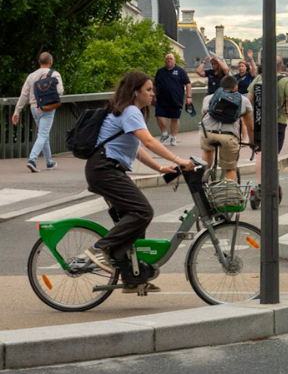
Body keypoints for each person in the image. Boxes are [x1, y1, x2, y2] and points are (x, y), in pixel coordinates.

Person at [82, 71, 195, 290]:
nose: (153, 94)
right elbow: (150, 142)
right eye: (149, 90)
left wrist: (161, 167)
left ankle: (132, 277)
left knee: (134, 223)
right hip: (104, 169)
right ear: (136, 93)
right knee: (143, 212)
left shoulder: (128, 111)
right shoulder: (131, 111)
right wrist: (178, 159)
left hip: (104, 169)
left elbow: (137, 149)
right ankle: (100, 248)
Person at [12, 52, 64, 172]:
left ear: (39, 62)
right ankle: (32, 160)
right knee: (43, 135)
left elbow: (24, 95)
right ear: (50, 62)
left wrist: (16, 111)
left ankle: (49, 162)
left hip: (34, 108)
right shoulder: (54, 74)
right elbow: (60, 91)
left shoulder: (31, 76)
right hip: (48, 107)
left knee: (43, 134)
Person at [250, 57, 288, 189]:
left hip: (259, 121)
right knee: (274, 153)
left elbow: (249, 98)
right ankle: (272, 183)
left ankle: (260, 184)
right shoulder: (284, 80)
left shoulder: (259, 78)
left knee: (260, 152)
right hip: (278, 121)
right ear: (281, 67)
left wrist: (255, 112)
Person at [200, 74, 252, 182]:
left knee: (208, 149)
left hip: (208, 134)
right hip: (228, 137)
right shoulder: (243, 100)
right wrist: (252, 141)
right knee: (230, 169)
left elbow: (204, 115)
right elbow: (249, 126)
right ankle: (229, 194)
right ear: (236, 88)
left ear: (221, 86)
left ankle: (202, 179)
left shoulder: (208, 98)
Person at [153, 53, 191, 146]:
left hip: (176, 99)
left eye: (170, 58)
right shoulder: (160, 71)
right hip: (161, 99)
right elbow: (155, 85)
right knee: (159, 115)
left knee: (175, 118)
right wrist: (153, 96)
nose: (168, 60)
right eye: (167, 59)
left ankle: (173, 137)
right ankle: (164, 133)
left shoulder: (180, 71)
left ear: (174, 60)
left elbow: (188, 84)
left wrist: (189, 97)